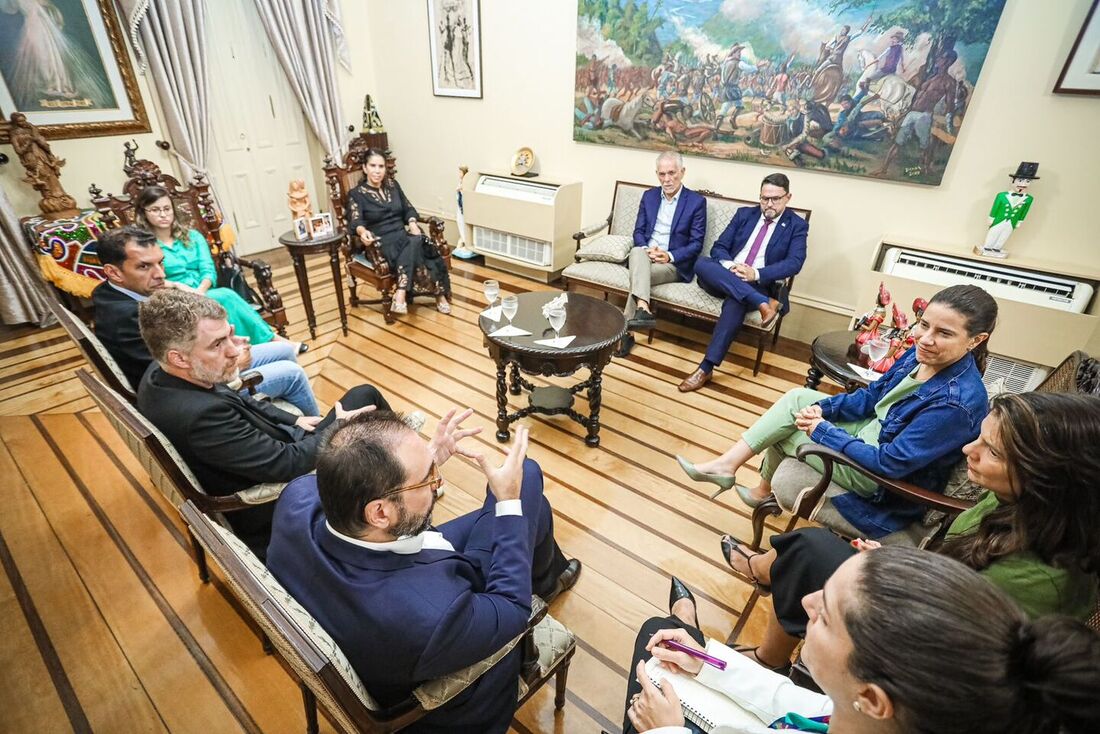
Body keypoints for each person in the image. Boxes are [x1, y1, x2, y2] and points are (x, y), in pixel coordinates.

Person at [719, 390, 1100, 673]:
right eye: (980, 437)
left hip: (928, 658)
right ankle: (769, 581)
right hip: (928, 591)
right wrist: (900, 563)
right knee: (807, 549)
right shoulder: (1014, 500)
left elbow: (959, 639)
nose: (969, 449)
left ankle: (771, 653)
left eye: (993, 451)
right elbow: (955, 574)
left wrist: (894, 575)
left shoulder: (1041, 576)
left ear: (1050, 477)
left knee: (808, 548)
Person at [267, 416, 582, 734]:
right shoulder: (429, 619)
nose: (438, 482)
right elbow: (512, 608)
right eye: (427, 478)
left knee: (530, 500)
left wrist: (423, 460)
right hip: (452, 689)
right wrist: (509, 503)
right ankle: (544, 579)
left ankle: (546, 575)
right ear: (379, 512)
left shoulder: (296, 500)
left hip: (392, 572)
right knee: (526, 481)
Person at [621, 547, 1100, 733]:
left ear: (872, 697)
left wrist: (667, 732)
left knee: (651, 643)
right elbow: (795, 704)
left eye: (826, 615)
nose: (805, 602)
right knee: (673, 641)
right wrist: (710, 663)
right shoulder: (869, 716)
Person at [678, 285, 997, 540]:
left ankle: (742, 476)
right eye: (924, 325)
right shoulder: (919, 356)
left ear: (976, 340)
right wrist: (823, 408)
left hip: (880, 479)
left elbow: (891, 464)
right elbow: (872, 396)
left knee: (789, 428)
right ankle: (742, 476)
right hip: (875, 430)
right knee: (799, 399)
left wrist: (824, 431)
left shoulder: (957, 403)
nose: (925, 339)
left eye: (944, 333)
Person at [136, 289, 388, 557]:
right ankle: (399, 484)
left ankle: (394, 476)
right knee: (365, 403)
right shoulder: (200, 417)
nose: (234, 351)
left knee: (364, 396)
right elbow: (287, 465)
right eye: (217, 344)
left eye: (228, 335)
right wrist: (340, 427)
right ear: (179, 357)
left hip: (266, 453)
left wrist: (296, 419)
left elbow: (240, 399)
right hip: (272, 503)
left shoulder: (162, 372)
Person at [93, 226, 318, 415]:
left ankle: (294, 424)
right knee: (292, 373)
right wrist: (235, 361)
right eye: (144, 266)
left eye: (160, 263)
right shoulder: (126, 316)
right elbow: (172, 377)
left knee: (284, 351)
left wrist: (222, 343)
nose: (160, 274)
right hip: (194, 393)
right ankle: (322, 441)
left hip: (200, 366)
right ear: (114, 272)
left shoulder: (109, 294)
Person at [679, 173, 807, 393]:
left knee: (736, 301)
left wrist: (754, 273)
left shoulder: (796, 225)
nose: (768, 204)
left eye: (775, 199)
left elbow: (794, 263)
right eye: (764, 198)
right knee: (701, 263)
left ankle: (705, 368)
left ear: (788, 197)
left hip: (755, 282)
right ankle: (763, 302)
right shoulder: (744, 214)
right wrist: (732, 267)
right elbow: (718, 247)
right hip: (723, 277)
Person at [133, 185, 294, 350]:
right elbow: (146, 277)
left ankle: (256, 347)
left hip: (205, 291)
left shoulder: (193, 236)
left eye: (167, 208)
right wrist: (176, 285)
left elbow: (208, 269)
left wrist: (200, 292)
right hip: (173, 298)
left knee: (221, 297)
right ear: (143, 213)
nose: (163, 214)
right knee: (225, 296)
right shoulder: (144, 245)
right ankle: (271, 342)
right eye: (155, 209)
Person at [617, 151, 707, 358]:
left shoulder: (695, 202)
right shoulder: (649, 196)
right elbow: (638, 232)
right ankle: (642, 309)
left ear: (682, 172)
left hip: (673, 265)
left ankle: (626, 330)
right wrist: (647, 249)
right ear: (656, 174)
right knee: (637, 251)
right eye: (662, 174)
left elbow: (696, 244)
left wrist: (669, 255)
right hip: (645, 256)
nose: (667, 179)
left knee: (638, 274)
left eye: (672, 173)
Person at [346, 148, 451, 315]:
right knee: (418, 242)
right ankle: (438, 296)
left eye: (381, 166)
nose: (377, 171)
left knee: (417, 240)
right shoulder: (356, 194)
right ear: (365, 168)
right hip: (380, 243)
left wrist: (412, 222)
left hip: (402, 236)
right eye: (373, 166)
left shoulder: (393, 186)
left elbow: (408, 208)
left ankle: (401, 291)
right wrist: (362, 232)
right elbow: (356, 221)